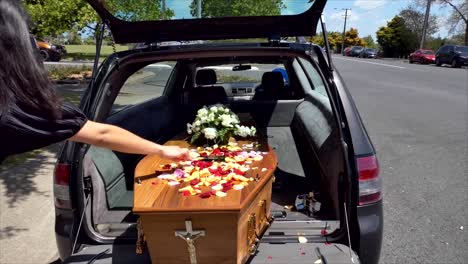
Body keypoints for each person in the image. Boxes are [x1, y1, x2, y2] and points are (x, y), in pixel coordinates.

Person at [0, 0, 189, 164]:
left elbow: (101, 133)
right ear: (17, 47)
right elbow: (100, 134)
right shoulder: (15, 111)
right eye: (29, 37)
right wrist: (162, 150)